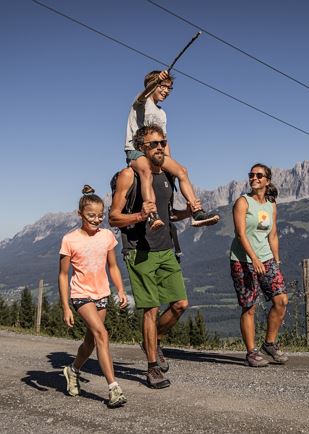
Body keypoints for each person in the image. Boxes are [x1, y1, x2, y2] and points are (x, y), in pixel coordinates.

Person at [110, 124, 192, 389]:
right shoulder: (128, 175)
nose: (160, 147)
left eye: (162, 142)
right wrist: (139, 216)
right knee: (151, 308)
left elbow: (169, 213)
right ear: (141, 149)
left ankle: (152, 341)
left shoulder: (166, 176)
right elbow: (113, 217)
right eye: (154, 144)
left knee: (180, 304)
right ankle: (152, 367)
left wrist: (188, 213)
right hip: (139, 251)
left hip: (165, 248)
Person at [59, 185, 128, 408]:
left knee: (91, 341)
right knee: (102, 334)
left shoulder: (107, 236)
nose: (97, 220)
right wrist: (66, 307)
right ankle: (113, 388)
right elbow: (62, 275)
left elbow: (113, 266)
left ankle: (72, 370)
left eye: (100, 216)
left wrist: (120, 289)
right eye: (91, 216)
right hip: (81, 294)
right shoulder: (69, 240)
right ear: (80, 214)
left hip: (102, 294)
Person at [124, 69, 219, 229]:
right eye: (163, 86)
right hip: (137, 150)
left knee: (181, 171)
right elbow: (142, 95)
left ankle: (196, 212)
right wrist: (154, 82)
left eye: (169, 88)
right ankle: (152, 215)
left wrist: (169, 163)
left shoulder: (162, 114)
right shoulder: (141, 103)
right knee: (146, 171)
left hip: (156, 152)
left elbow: (164, 141)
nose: (166, 91)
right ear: (152, 85)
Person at [230, 164, 289, 367]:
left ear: (267, 181)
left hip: (267, 259)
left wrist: (276, 260)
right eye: (251, 175)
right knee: (249, 306)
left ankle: (269, 344)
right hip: (243, 260)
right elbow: (241, 234)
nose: (254, 178)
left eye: (259, 175)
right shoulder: (242, 202)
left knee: (281, 300)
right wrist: (253, 258)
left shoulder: (271, 205)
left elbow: (272, 235)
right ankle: (251, 352)